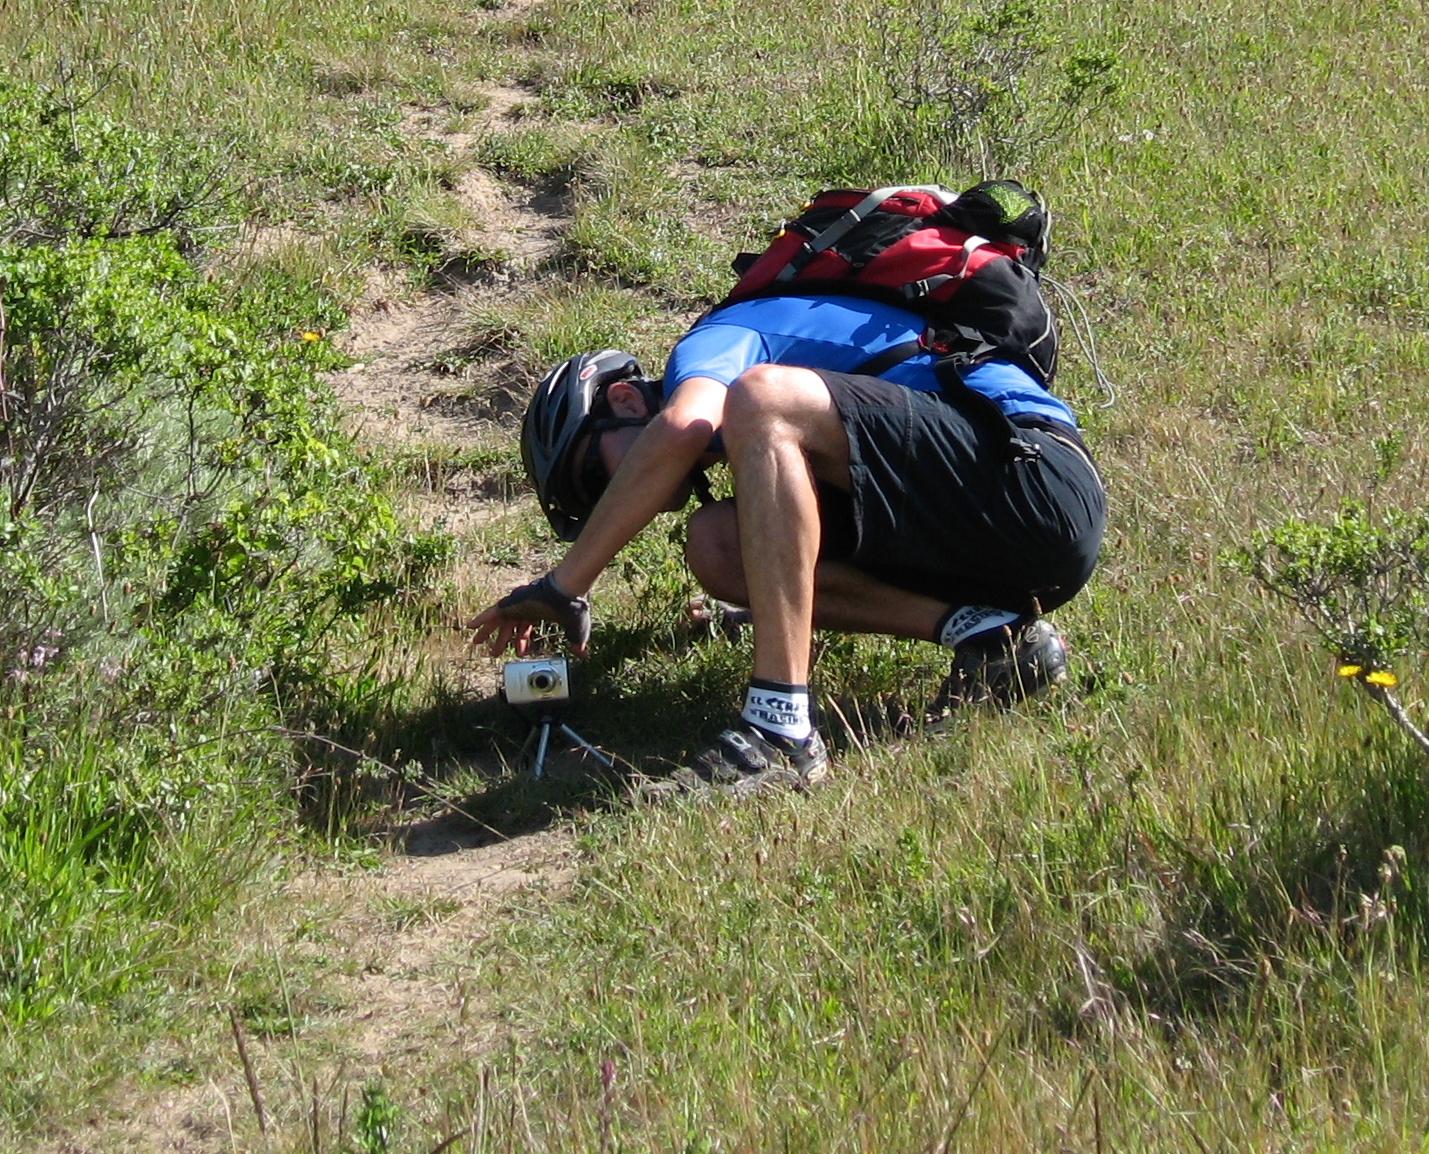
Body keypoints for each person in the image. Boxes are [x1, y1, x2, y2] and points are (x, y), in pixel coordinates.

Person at [468, 287, 1105, 796]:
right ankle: (993, 638)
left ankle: (780, 730)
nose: (608, 495)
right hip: (979, 529)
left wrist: (564, 585)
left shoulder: (712, 343)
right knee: (718, 543)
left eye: (592, 476)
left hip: (1038, 481)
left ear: (626, 400)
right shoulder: (752, 443)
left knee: (763, 396)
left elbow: (684, 427)